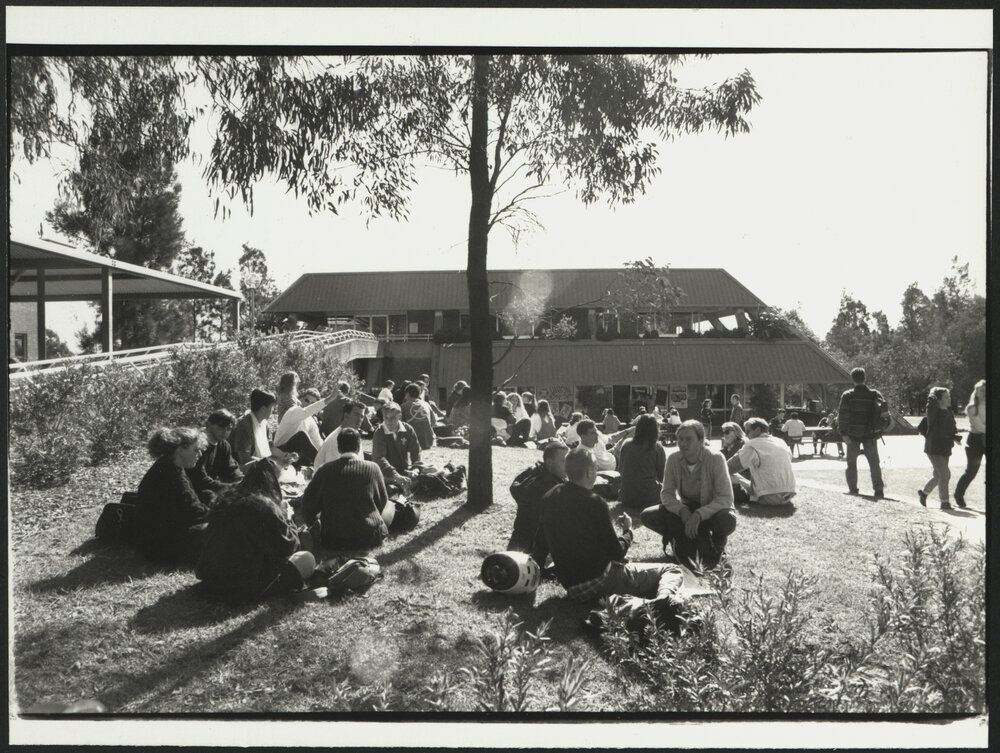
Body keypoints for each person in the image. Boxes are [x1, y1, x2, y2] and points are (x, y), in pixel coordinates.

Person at [531, 448, 687, 622]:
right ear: (590, 472)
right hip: (601, 580)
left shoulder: (549, 497)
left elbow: (541, 542)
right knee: (672, 570)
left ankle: (633, 599)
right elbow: (617, 554)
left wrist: (532, 575)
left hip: (572, 587)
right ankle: (661, 603)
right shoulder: (594, 502)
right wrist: (628, 532)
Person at [195, 459, 316, 603]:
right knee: (307, 559)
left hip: (209, 580)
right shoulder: (264, 506)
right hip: (240, 587)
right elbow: (289, 547)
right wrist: (288, 518)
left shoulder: (226, 498)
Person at [640, 420, 737, 573]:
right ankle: (681, 541)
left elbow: (725, 498)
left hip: (711, 510)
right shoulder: (673, 459)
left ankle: (716, 546)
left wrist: (699, 515)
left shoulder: (716, 458)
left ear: (700, 440)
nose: (683, 443)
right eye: (680, 439)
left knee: (727, 520)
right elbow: (666, 494)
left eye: (689, 439)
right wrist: (683, 511)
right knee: (648, 515)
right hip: (687, 507)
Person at [301, 428, 395, 551]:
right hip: (368, 536)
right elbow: (381, 501)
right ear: (358, 447)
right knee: (390, 504)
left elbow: (308, 502)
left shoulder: (324, 470)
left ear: (339, 448)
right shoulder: (373, 468)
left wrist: (313, 523)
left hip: (332, 538)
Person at [134, 427, 211, 564]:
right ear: (180, 450)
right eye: (195, 450)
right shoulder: (173, 476)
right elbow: (196, 513)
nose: (199, 455)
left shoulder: (166, 465)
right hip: (161, 547)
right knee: (219, 529)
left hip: (150, 540)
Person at [507, 442, 568, 552]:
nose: (568, 465)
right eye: (563, 461)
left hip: (521, 542)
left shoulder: (537, 472)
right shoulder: (544, 486)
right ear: (549, 462)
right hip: (531, 548)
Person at [838, 367, 886, 499]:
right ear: (865, 378)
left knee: (851, 463)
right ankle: (878, 490)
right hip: (871, 433)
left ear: (852, 379)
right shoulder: (875, 394)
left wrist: (843, 433)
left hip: (852, 434)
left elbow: (842, 415)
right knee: (874, 463)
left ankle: (853, 488)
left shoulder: (847, 395)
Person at [729, 418, 796, 506]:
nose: (745, 434)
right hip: (789, 494)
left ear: (758, 430)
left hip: (768, 495)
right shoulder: (781, 442)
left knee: (723, 473)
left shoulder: (752, 445)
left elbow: (728, 467)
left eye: (748, 431)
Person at [187, 409, 243, 504]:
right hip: (190, 491)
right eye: (221, 426)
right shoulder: (197, 443)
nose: (225, 431)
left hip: (208, 489)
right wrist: (232, 487)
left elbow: (231, 471)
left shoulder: (224, 445)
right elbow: (200, 479)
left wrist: (243, 483)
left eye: (228, 429)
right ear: (209, 424)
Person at [273, 387, 338, 468]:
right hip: (280, 451)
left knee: (312, 459)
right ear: (302, 400)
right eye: (307, 400)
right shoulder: (293, 411)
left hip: (295, 454)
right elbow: (307, 411)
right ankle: (324, 467)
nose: (308, 404)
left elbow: (318, 442)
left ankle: (327, 467)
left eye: (312, 403)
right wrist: (330, 398)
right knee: (301, 436)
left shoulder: (311, 421)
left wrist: (331, 455)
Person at [918, 387, 959, 510]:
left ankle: (924, 493)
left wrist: (955, 436)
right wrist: (933, 394)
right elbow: (930, 403)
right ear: (938, 399)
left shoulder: (949, 411)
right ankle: (945, 502)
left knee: (938, 476)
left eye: (949, 396)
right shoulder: (933, 411)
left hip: (946, 447)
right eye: (946, 397)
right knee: (945, 474)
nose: (949, 399)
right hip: (934, 448)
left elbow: (952, 427)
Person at [617, 414, 667, 511]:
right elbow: (663, 475)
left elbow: (621, 469)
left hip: (627, 497)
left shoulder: (626, 444)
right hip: (649, 497)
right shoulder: (657, 447)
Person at [372, 401, 422, 493]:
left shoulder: (408, 429)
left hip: (403, 470)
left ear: (400, 417)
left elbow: (416, 451)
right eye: (385, 418)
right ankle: (399, 486)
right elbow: (379, 458)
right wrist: (395, 475)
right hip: (387, 473)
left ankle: (401, 486)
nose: (388, 421)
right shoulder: (379, 432)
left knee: (430, 470)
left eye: (392, 418)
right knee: (383, 481)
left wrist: (416, 469)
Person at [954, 379, 986, 508]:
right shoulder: (972, 408)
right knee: (972, 471)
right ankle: (958, 494)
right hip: (975, 441)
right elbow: (979, 427)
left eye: (985, 391)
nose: (983, 393)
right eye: (981, 390)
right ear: (976, 392)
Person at [313, 399, 366, 470]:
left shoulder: (353, 435)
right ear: (346, 416)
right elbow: (334, 471)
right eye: (356, 415)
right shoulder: (336, 440)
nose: (360, 419)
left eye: (362, 416)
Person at [232, 388, 277, 469]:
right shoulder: (245, 426)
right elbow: (244, 459)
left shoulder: (264, 424)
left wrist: (285, 456)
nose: (273, 411)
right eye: (272, 407)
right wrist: (267, 465)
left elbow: (271, 448)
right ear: (263, 409)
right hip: (241, 468)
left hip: (259, 464)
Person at [719, 421, 751, 503]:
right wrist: (725, 448)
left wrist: (725, 448)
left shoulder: (740, 443)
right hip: (742, 475)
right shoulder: (734, 443)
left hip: (746, 476)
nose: (724, 435)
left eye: (727, 432)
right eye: (723, 432)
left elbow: (725, 463)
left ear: (735, 432)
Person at [401, 383, 436, 450]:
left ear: (407, 394)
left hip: (412, 442)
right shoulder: (426, 404)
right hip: (428, 441)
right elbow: (433, 422)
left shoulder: (403, 406)